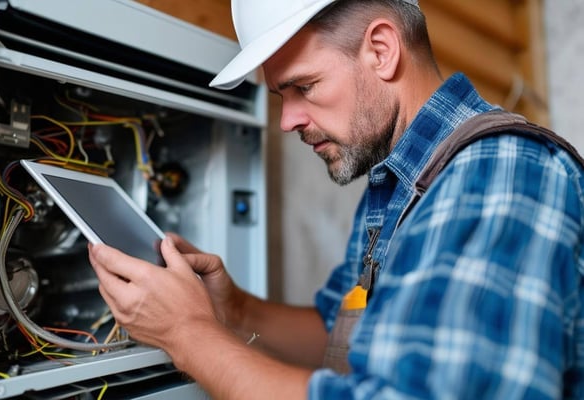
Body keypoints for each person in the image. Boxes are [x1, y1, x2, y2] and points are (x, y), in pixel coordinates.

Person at [88, 0, 584, 398]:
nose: (287, 121)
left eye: (304, 86)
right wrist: (233, 310)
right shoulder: (397, 180)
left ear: (382, 49)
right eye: (284, 96)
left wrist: (188, 334)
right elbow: (346, 331)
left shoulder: (497, 173)